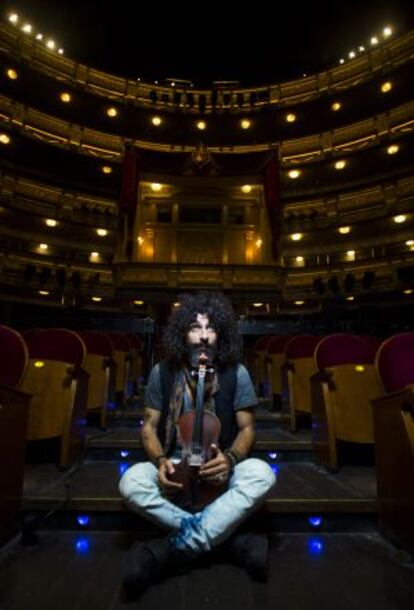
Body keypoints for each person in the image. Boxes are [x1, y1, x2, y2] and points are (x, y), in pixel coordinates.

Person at [119, 292, 276, 599]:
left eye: (211, 328)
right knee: (131, 482)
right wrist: (161, 459)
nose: (204, 336)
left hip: (219, 470)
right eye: (195, 328)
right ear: (182, 333)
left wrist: (230, 459)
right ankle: (229, 542)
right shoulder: (161, 372)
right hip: (175, 470)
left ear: (222, 334)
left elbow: (247, 430)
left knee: (262, 473)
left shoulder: (237, 373)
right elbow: (149, 428)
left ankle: (168, 550)